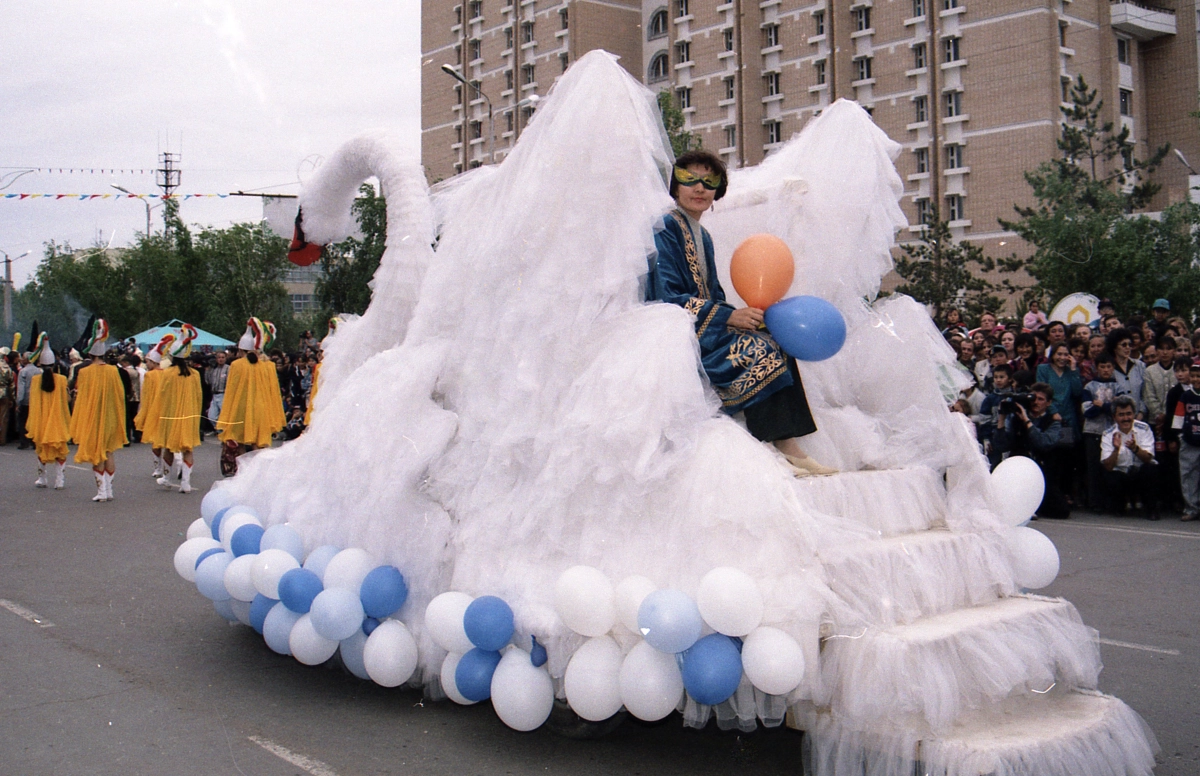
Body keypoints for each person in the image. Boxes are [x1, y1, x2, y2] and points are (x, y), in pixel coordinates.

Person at [648, 150, 832, 476]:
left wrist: (744, 316)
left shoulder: (702, 235)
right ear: (674, 186)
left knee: (775, 338)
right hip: (673, 332)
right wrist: (726, 317)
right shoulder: (664, 228)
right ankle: (773, 446)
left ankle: (788, 445)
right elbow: (666, 297)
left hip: (701, 325)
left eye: (709, 181)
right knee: (757, 350)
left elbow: (713, 294)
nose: (700, 188)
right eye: (689, 179)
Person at [216, 318, 286, 475]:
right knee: (259, 444)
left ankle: (243, 475)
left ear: (241, 350)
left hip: (241, 408)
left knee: (240, 443)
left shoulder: (236, 365)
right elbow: (273, 391)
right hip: (262, 409)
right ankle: (259, 475)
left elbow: (231, 392)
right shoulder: (267, 366)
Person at [69, 319, 127, 502]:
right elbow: (119, 394)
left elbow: (82, 397)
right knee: (108, 451)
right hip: (110, 415)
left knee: (96, 451)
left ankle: (102, 491)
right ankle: (108, 489)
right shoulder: (113, 371)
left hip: (92, 416)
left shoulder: (84, 372)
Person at [992, 382, 1069, 517]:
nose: (1036, 402)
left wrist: (1027, 421)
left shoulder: (1053, 422)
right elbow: (1002, 445)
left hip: (1041, 470)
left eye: (1041, 399)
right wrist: (1001, 419)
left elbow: (1044, 443)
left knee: (1061, 510)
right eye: (1034, 398)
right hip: (1019, 469)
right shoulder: (1016, 418)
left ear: (1048, 403)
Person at [155, 325, 203, 494]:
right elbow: (199, 397)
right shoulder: (195, 374)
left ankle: (167, 479)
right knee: (188, 449)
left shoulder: (167, 373)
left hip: (171, 415)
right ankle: (185, 483)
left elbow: (162, 395)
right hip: (189, 415)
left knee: (168, 447)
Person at [24, 334, 71, 489]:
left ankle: (42, 478)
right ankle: (60, 480)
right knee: (60, 451)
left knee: (41, 449)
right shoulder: (61, 379)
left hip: (41, 419)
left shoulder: (36, 380)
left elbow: (34, 402)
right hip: (58, 418)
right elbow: (65, 400)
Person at [1101, 396, 1158, 520]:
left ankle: (1151, 509)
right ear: (1114, 417)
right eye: (1121, 415)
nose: (1126, 418)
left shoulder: (1144, 428)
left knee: (1150, 469)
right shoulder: (1107, 434)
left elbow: (1148, 458)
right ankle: (1119, 507)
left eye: (1129, 414)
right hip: (1122, 475)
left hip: (1140, 472)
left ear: (1134, 414)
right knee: (1111, 476)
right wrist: (1116, 449)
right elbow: (1108, 466)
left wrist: (1135, 448)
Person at [135, 333, 175, 478]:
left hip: (153, 409)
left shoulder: (150, 375)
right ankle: (167, 468)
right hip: (165, 408)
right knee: (167, 441)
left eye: (148, 362)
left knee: (155, 441)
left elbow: (146, 395)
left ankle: (158, 468)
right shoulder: (166, 373)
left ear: (152, 362)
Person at [1082, 355, 1119, 511]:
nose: (1105, 370)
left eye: (1109, 367)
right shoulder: (1089, 387)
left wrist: (1101, 404)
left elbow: (1118, 410)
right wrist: (1106, 407)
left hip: (1111, 432)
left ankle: (1110, 502)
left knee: (1110, 467)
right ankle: (1094, 502)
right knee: (1093, 468)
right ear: (1097, 368)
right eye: (1102, 367)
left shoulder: (1118, 386)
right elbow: (1086, 411)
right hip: (1092, 432)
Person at [1171, 362, 1200, 521]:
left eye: (1199, 376)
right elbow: (1178, 419)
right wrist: (1180, 436)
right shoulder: (1186, 396)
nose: (1196, 379)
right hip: (1189, 441)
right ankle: (1191, 508)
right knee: (1188, 476)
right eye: (1194, 376)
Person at [1107, 328, 1146, 419]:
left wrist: (1141, 413)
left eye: (1129, 344)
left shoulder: (1140, 366)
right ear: (1114, 347)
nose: (1128, 347)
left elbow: (1145, 393)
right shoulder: (1109, 369)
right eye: (1124, 345)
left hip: (1140, 417)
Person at [206, 349, 230, 429]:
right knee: (211, 416)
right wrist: (208, 369)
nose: (221, 359)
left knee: (225, 416)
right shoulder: (214, 369)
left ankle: (224, 432)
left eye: (223, 357)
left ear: (225, 358)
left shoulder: (228, 368)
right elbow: (208, 381)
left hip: (223, 394)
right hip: (214, 395)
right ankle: (220, 430)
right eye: (219, 357)